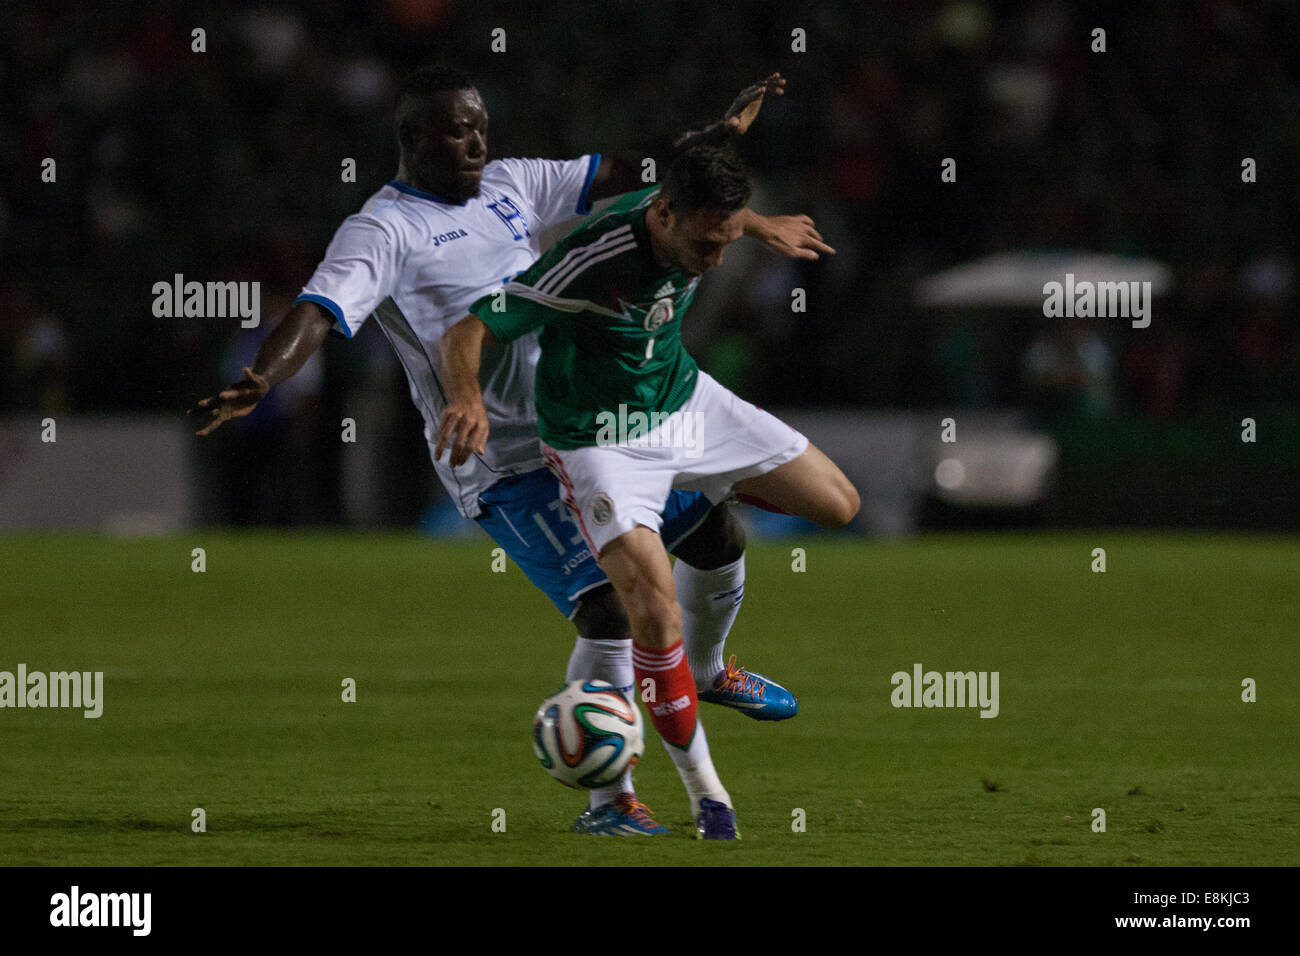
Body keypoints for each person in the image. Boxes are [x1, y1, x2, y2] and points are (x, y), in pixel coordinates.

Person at [189, 65, 834, 837]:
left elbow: (639, 174)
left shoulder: (512, 182)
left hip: (596, 427)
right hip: (501, 462)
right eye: (456, 130)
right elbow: (320, 311)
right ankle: (610, 802)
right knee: (609, 613)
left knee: (719, 535)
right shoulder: (383, 228)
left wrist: (719, 136)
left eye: (480, 126)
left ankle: (708, 669)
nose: (474, 142)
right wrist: (264, 373)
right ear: (412, 138)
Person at [438, 145, 860, 839]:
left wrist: (761, 224)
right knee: (650, 613)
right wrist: (466, 399)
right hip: (600, 446)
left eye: (727, 240)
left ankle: (710, 671)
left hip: (684, 402)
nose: (715, 259)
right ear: (663, 213)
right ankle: (708, 799)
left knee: (837, 504)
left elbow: (722, 164)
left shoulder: (690, 212)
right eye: (706, 242)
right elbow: (470, 327)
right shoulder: (588, 262)